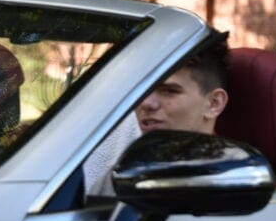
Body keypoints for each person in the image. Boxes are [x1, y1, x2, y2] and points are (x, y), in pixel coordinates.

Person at [82, 30, 230, 194]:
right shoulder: (123, 168)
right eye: (141, 90)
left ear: (213, 104)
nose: (146, 103)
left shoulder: (230, 180)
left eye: (169, 91)